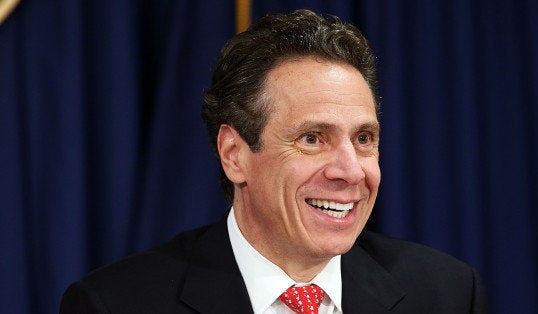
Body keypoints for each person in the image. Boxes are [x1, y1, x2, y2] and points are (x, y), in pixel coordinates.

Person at [60, 9, 487, 313]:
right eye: (312, 138)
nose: (351, 171)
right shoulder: (114, 303)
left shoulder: (446, 294)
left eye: (363, 138)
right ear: (234, 155)